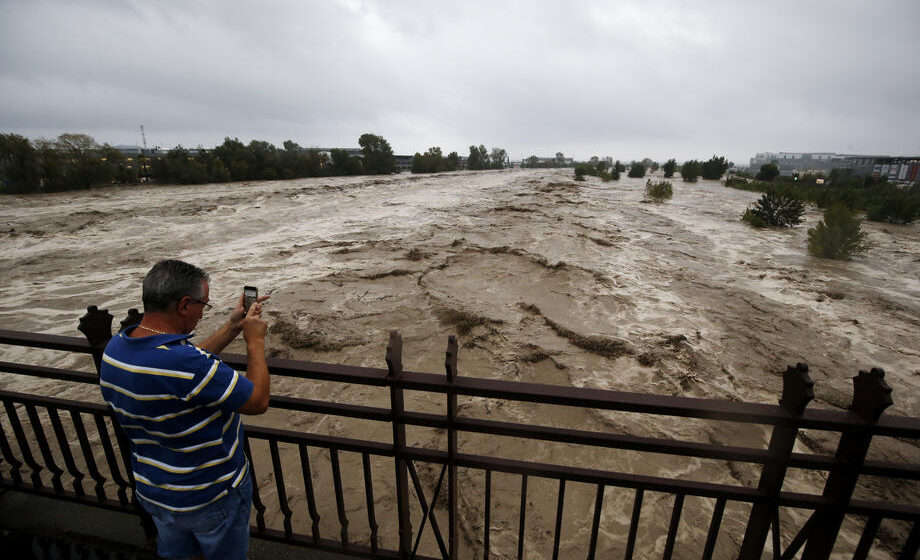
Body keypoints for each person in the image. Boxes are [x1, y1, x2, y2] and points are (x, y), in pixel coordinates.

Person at [99, 259, 270, 560]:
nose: (203, 312)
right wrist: (254, 340)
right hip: (209, 495)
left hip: (157, 492)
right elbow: (257, 401)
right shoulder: (187, 366)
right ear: (184, 305)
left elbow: (184, 369)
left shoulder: (116, 349)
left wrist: (233, 326)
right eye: (203, 304)